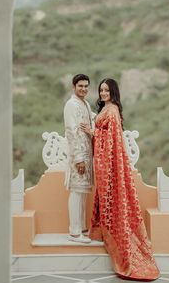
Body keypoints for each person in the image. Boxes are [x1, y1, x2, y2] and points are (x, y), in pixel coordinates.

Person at [80, 78, 160, 280]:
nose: (103, 93)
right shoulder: (106, 109)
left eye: (106, 90)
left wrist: (93, 131)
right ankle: (104, 231)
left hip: (109, 164)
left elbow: (112, 137)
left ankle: (119, 240)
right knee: (104, 196)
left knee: (111, 198)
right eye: (101, 90)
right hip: (102, 163)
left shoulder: (112, 110)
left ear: (113, 92)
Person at [64, 74, 94, 243]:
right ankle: (74, 232)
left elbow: (92, 120)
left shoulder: (85, 104)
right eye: (80, 86)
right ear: (73, 86)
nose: (83, 89)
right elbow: (71, 132)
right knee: (76, 191)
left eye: (85, 86)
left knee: (83, 192)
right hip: (79, 156)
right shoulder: (71, 105)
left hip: (87, 155)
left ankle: (81, 227)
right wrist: (79, 158)